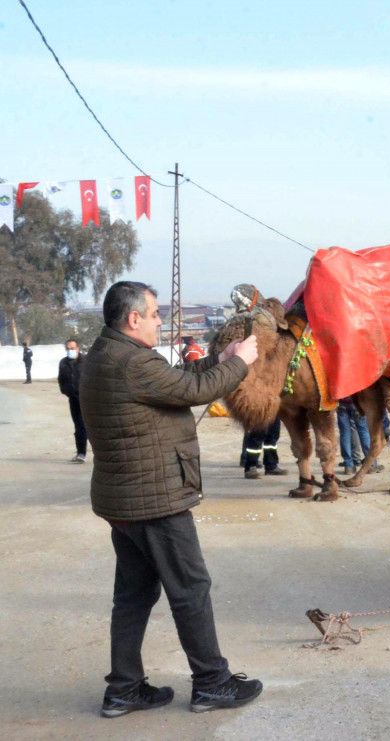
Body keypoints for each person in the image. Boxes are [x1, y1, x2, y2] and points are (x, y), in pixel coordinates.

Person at [79, 280, 264, 718]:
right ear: (133, 319)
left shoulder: (110, 354)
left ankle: (124, 689)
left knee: (134, 594)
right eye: (156, 313)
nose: (161, 321)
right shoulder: (131, 362)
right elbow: (195, 393)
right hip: (154, 498)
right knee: (190, 588)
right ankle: (212, 683)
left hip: (126, 498)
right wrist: (238, 364)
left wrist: (218, 361)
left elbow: (177, 385)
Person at [58, 338, 88, 463]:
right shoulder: (63, 362)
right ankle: (81, 453)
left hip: (87, 399)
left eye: (73, 348)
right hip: (73, 400)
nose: (71, 350)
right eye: (68, 348)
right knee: (79, 426)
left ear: (78, 348)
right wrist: (66, 391)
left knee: (91, 426)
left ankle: (103, 454)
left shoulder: (86, 361)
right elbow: (61, 379)